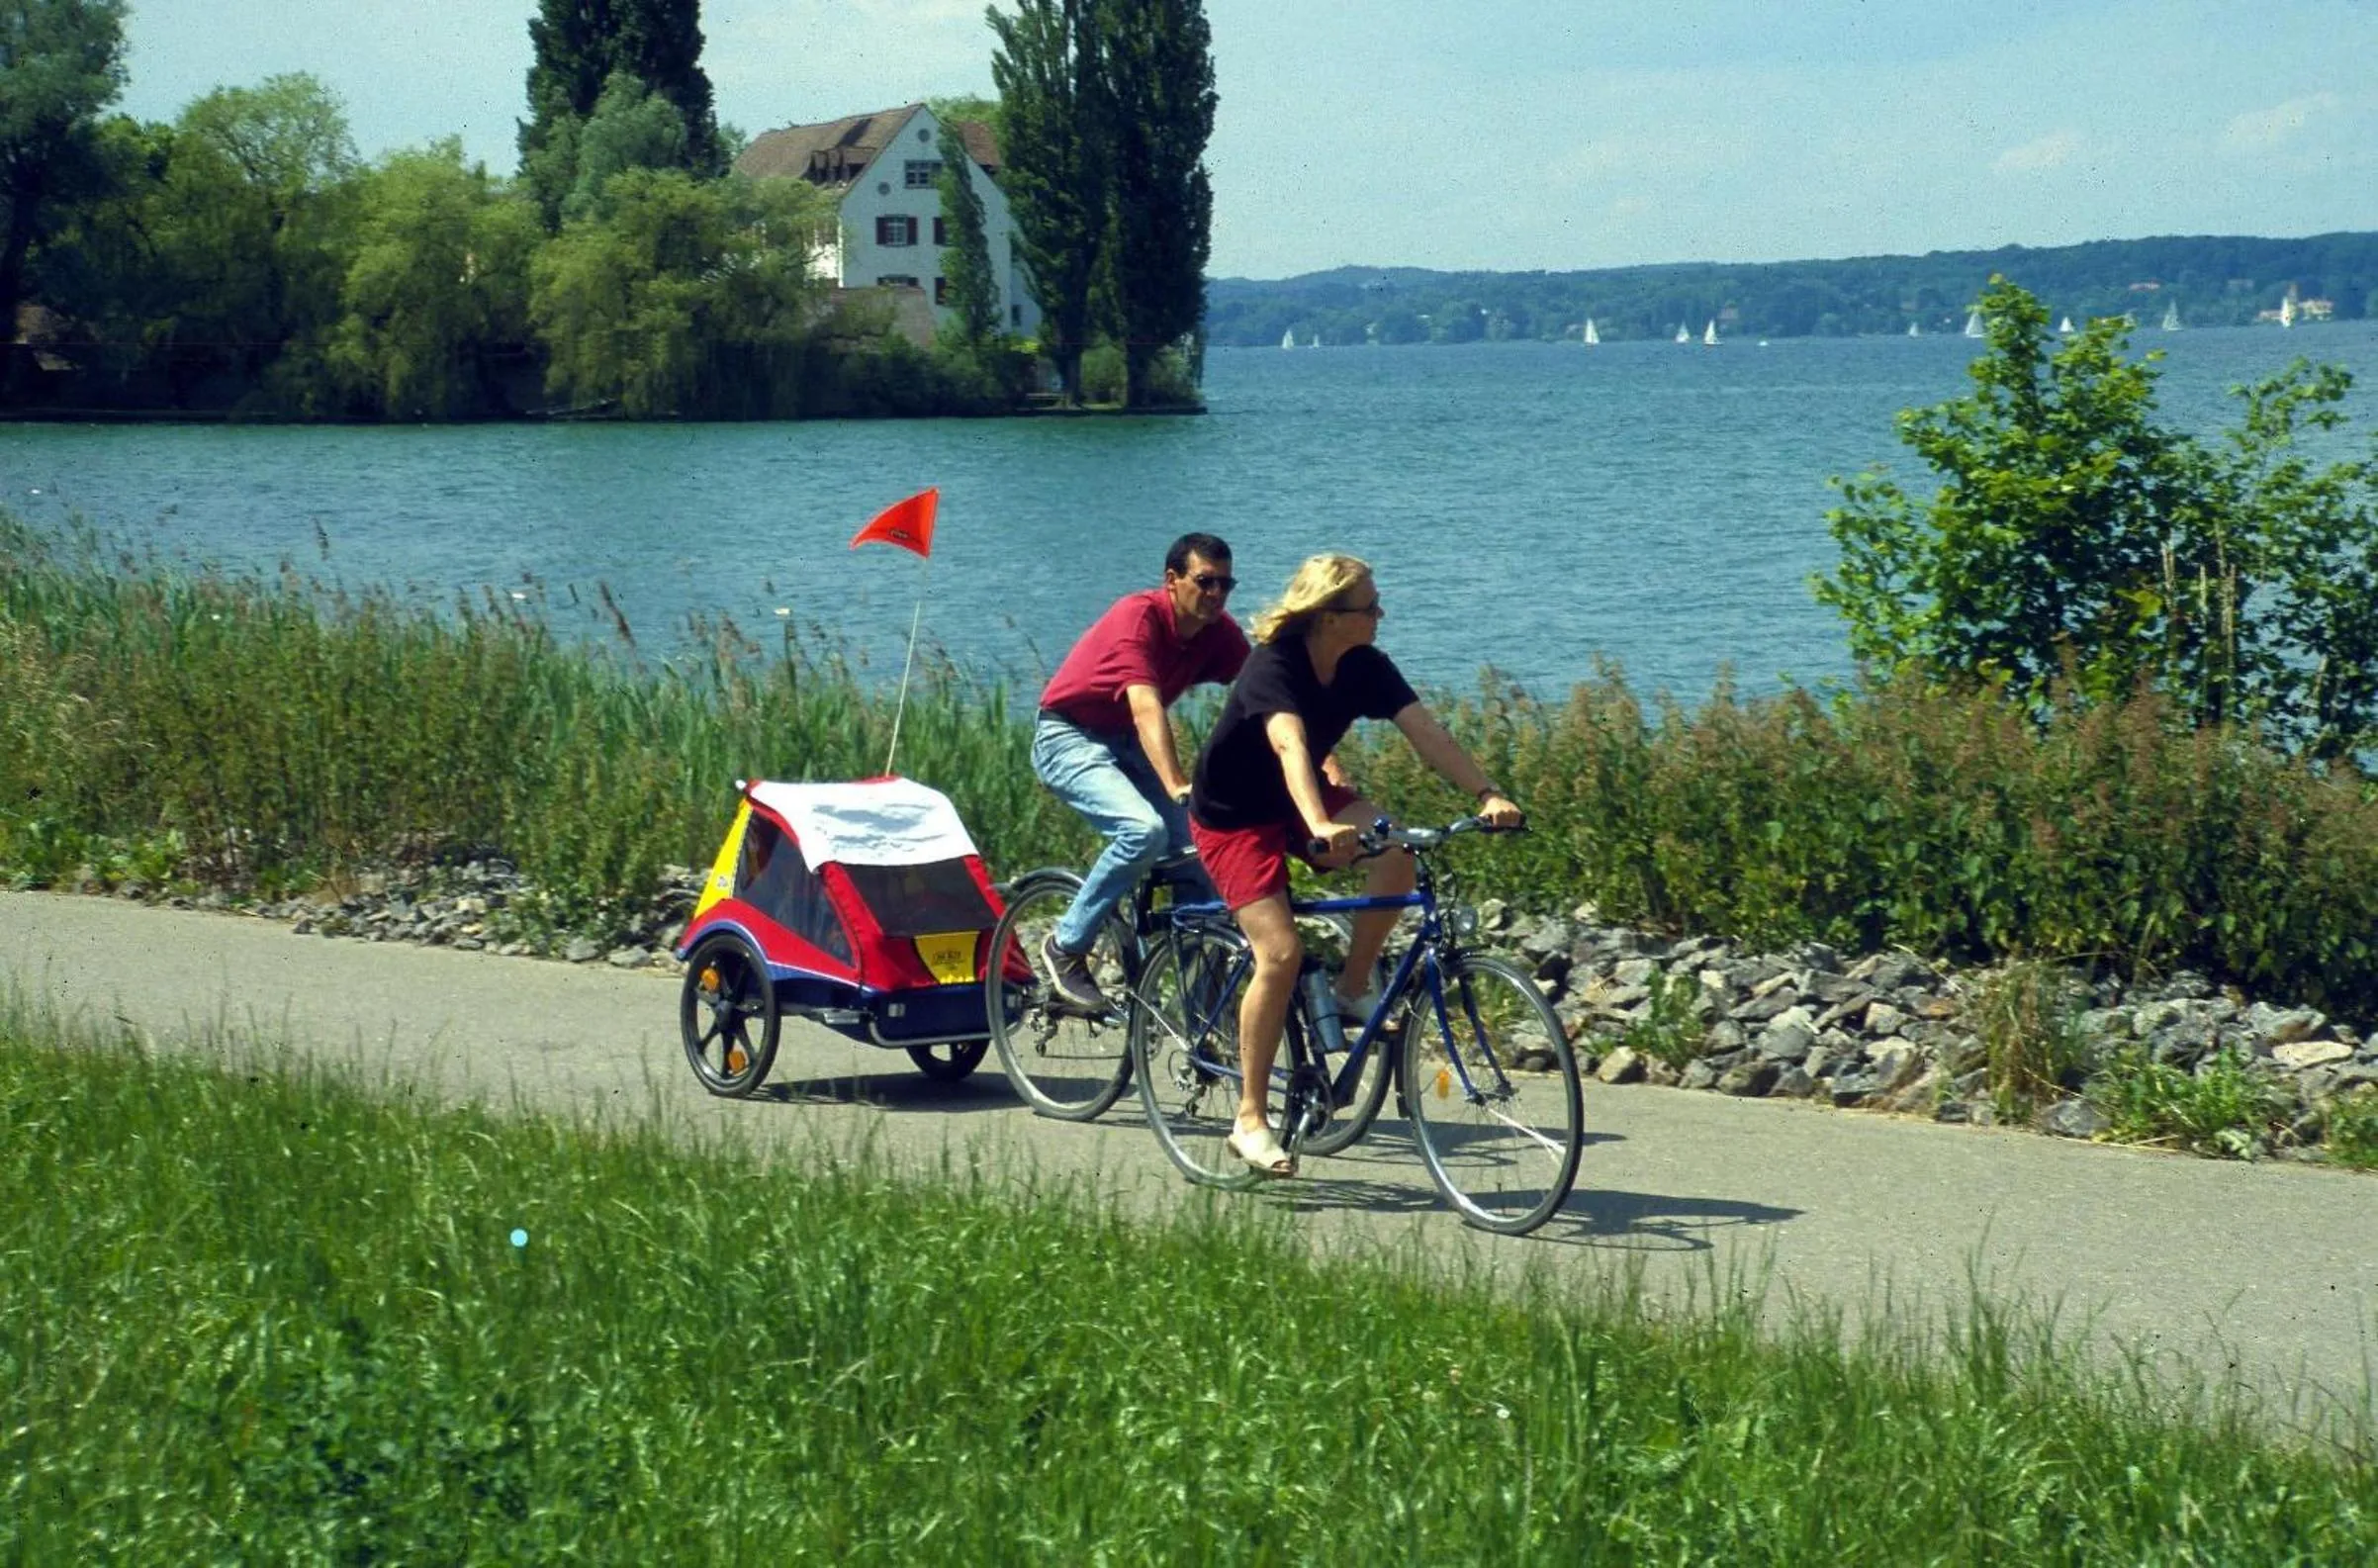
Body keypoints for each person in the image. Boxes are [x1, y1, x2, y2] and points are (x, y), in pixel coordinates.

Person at [1187, 553, 1521, 1177]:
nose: (1380, 614)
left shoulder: (1364, 665)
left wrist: (1486, 793)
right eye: (1368, 607)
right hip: (1235, 815)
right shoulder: (1274, 665)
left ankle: (1348, 990)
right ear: (1326, 616)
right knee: (1279, 954)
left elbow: (1427, 734)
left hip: (1305, 796)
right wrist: (1316, 825)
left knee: (1396, 847)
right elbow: (1288, 744)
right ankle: (1251, 1119)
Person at [1033, 532, 1250, 1009]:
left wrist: (1322, 763)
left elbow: (1265, 694)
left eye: (1226, 585)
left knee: (1202, 854)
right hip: (1068, 736)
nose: (1216, 594)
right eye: (1205, 581)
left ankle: (1199, 1020)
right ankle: (1065, 946)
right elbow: (1146, 708)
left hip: (1128, 745)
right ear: (1172, 581)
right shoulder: (1138, 617)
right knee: (1143, 830)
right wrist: (1175, 784)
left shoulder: (1219, 632)